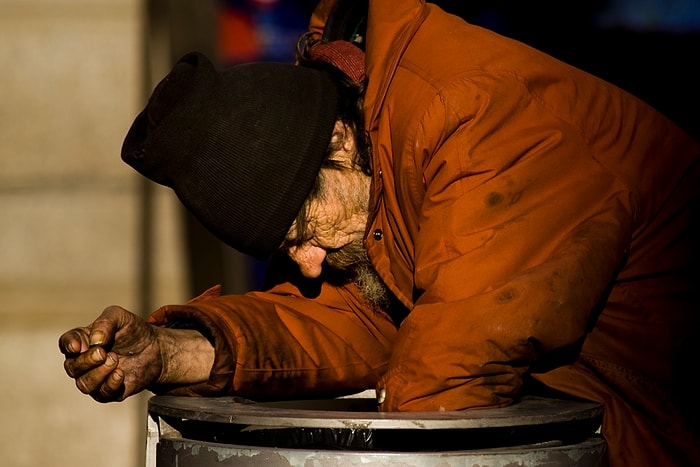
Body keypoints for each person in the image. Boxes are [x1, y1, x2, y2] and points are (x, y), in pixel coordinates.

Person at [59, 0, 700, 464]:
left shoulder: (477, 119)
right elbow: (356, 319)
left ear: (337, 146)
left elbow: (447, 385)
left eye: (300, 232)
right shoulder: (362, 152)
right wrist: (173, 352)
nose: (307, 263)